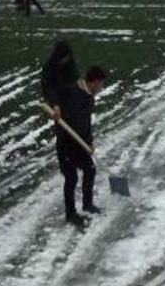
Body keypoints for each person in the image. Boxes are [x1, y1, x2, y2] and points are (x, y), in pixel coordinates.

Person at [50, 64, 107, 226]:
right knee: (71, 178)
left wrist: (89, 143)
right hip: (66, 143)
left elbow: (85, 122)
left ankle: (87, 204)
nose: (102, 88)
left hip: (80, 143)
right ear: (95, 82)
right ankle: (71, 214)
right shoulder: (71, 92)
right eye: (101, 84)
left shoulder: (89, 97)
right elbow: (53, 93)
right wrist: (55, 106)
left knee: (90, 169)